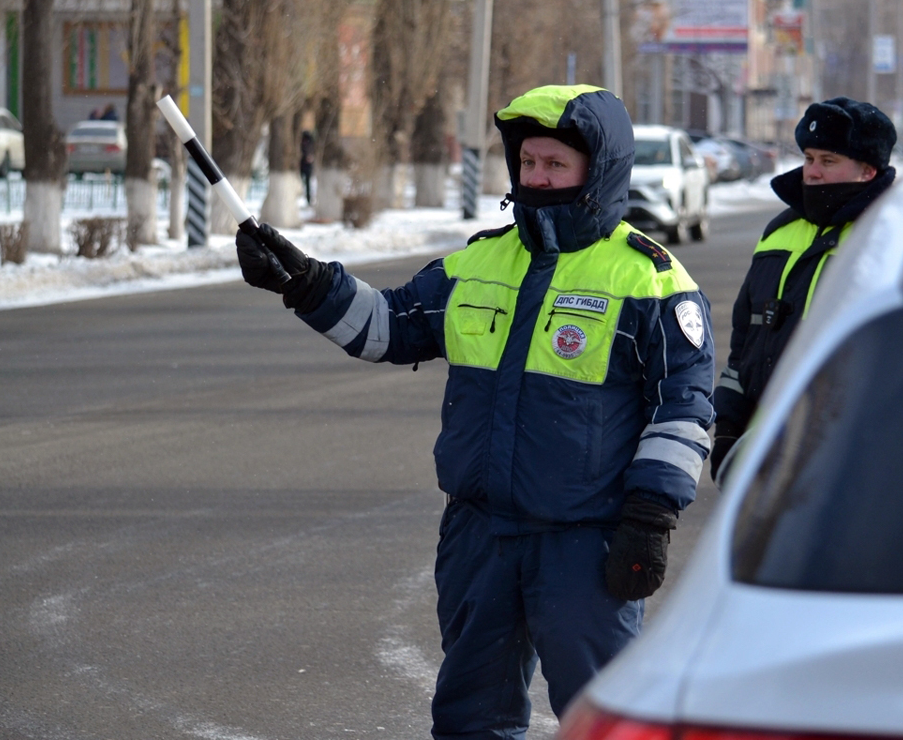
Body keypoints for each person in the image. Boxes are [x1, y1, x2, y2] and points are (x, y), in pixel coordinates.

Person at [235, 84, 715, 738]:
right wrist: (305, 283)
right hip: (478, 536)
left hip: (585, 542)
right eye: (529, 162)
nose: (537, 177)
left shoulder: (650, 281)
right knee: (470, 718)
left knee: (605, 720)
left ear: (598, 171)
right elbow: (389, 327)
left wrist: (650, 519)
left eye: (556, 164)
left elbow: (683, 408)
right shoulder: (479, 261)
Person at [710, 97, 897, 484]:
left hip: (851, 457)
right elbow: (746, 344)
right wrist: (729, 426)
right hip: (766, 454)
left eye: (828, 161)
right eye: (809, 158)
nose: (812, 172)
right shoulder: (779, 232)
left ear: (867, 170)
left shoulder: (887, 237)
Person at [299, 130, 315, 205]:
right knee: (303, 182)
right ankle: (305, 197)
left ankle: (308, 198)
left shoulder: (308, 143)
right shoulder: (308, 143)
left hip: (306, 166)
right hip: (303, 165)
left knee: (307, 183)